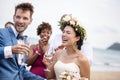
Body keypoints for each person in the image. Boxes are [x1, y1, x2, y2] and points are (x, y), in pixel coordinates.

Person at [0, 2, 44, 80]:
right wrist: (10, 50)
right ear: (13, 18)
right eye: (18, 17)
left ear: (30, 21)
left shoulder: (25, 41)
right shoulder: (1, 32)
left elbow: (21, 70)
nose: (20, 21)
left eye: (25, 18)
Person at [43, 14, 90, 80]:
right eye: (63, 32)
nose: (63, 34)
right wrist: (48, 65)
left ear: (77, 38)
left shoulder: (82, 59)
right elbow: (49, 77)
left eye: (68, 32)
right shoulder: (58, 53)